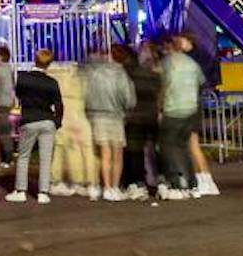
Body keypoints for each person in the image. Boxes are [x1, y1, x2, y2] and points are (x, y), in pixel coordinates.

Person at [8, 47, 62, 204]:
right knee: (46, 158)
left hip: (29, 119)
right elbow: (59, 104)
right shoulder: (52, 82)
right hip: (47, 120)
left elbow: (18, 95)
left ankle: (20, 190)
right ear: (49, 63)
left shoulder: (23, 78)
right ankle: (43, 192)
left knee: (24, 156)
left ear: (35, 59)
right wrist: (57, 121)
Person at [83, 45, 135, 201]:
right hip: (116, 116)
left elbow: (88, 94)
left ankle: (106, 187)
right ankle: (114, 186)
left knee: (104, 153)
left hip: (97, 115)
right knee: (117, 153)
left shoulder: (95, 73)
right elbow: (129, 99)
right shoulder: (121, 74)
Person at [157, 33, 204, 200]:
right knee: (183, 148)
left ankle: (175, 184)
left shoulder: (168, 63)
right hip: (190, 109)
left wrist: (160, 108)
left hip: (173, 110)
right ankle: (192, 185)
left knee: (167, 148)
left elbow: (162, 87)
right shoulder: (192, 64)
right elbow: (200, 82)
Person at [47, 58, 94, 197]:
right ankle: (76, 181)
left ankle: (57, 181)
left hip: (63, 116)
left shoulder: (56, 77)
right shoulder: (78, 79)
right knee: (73, 150)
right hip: (75, 116)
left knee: (60, 150)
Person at [121, 42, 161, 200]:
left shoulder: (130, 75)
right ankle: (160, 181)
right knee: (154, 150)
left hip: (135, 117)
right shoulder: (155, 76)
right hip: (151, 116)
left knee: (134, 152)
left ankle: (136, 183)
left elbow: (127, 97)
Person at [0, 44, 15, 168]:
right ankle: (6, 157)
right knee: (2, 131)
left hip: (2, 103)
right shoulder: (7, 68)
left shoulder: (0, 70)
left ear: (1, 56)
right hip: (6, 102)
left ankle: (7, 158)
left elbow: (0, 87)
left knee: (2, 131)